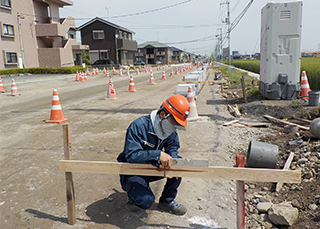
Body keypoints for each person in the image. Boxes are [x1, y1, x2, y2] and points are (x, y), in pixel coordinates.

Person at [117, 94, 190, 215]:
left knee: (179, 165)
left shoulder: (169, 130)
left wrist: (173, 161)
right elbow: (131, 155)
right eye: (174, 122)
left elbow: (173, 146)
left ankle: (167, 201)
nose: (174, 128)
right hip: (133, 169)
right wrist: (157, 155)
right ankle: (133, 197)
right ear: (162, 115)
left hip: (152, 166)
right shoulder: (139, 126)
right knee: (145, 201)